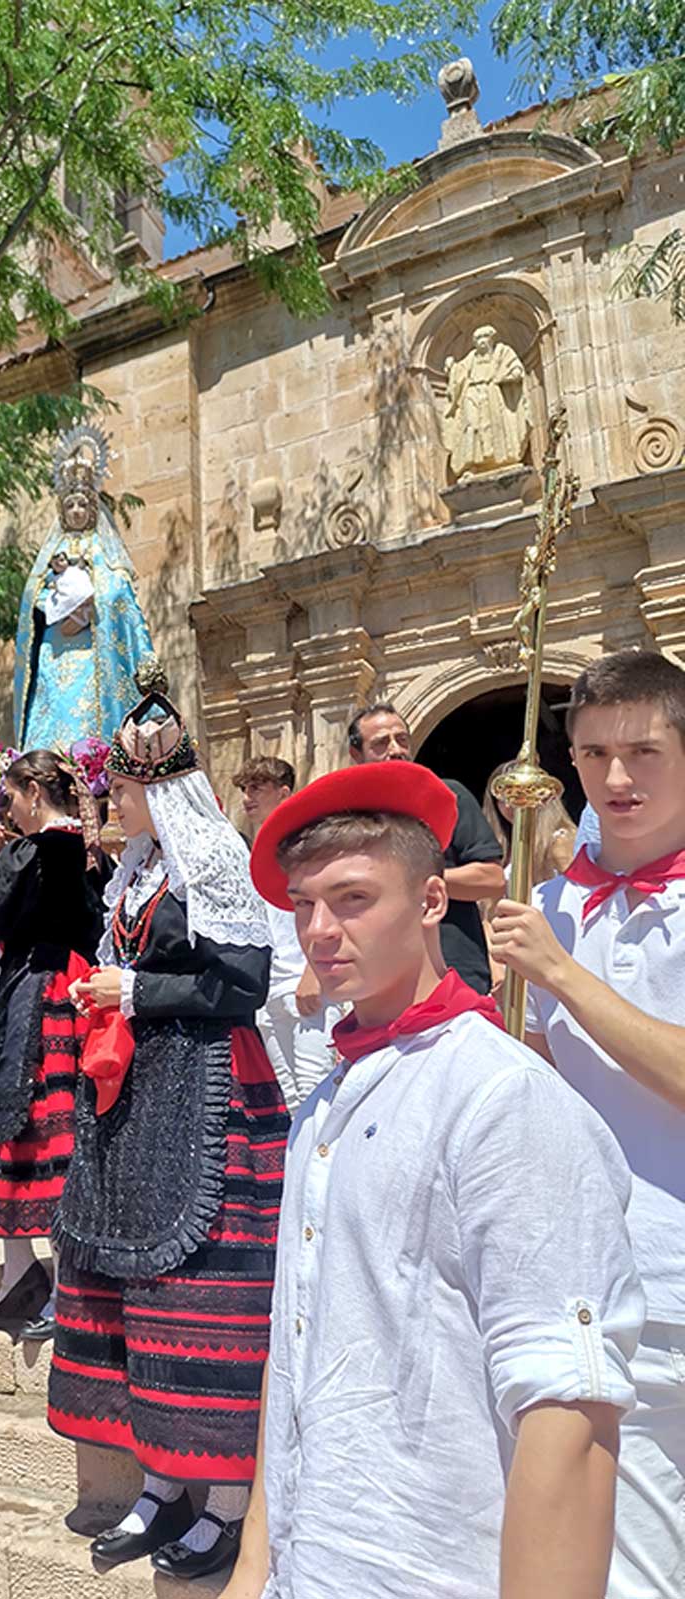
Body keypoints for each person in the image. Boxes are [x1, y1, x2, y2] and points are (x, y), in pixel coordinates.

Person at [219, 762, 644, 1599]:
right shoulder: (322, 1107)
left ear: (431, 901)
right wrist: (253, 1568)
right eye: (304, 903)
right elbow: (293, 1344)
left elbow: (568, 1408)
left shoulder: (501, 1098)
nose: (319, 929)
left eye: (352, 898)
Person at [50, 692, 290, 1583]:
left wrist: (136, 992)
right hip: (138, 1090)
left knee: (203, 1290)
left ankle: (224, 1500)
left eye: (121, 789)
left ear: (161, 790)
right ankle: (160, 1484)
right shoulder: (140, 867)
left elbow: (244, 983)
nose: (111, 801)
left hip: (209, 1093)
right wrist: (109, 991)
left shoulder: (214, 857)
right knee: (137, 1287)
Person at [492, 648, 685, 1599]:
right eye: (596, 752)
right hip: (589, 1276)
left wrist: (563, 976)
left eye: (644, 751)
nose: (616, 776)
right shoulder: (552, 902)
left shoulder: (558, 937)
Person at [0, 750, 103, 1332]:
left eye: (12, 797)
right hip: (80, 989)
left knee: (32, 1126)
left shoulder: (30, 852)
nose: (9, 810)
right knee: (61, 1128)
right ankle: (29, 1277)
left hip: (34, 991)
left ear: (35, 792)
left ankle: (53, 1286)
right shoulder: (95, 854)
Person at [14, 424, 155, 751]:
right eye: (70, 505)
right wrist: (53, 604)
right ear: (62, 511)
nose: (76, 511)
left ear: (92, 509)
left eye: (82, 504)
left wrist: (89, 607)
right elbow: (33, 599)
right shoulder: (51, 554)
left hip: (92, 651)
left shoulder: (104, 551)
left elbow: (118, 593)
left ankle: (92, 760)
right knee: (53, 713)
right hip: (56, 647)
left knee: (87, 718)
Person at [348, 702, 504, 993]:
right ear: (356, 754)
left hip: (455, 971)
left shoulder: (449, 796)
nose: (396, 749)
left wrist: (412, 880)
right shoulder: (350, 818)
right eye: (381, 743)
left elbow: (492, 880)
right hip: (379, 977)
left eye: (402, 739)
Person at [235, 755, 341, 1110]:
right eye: (244, 789)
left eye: (256, 788)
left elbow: (327, 909)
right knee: (291, 1101)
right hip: (270, 991)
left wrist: (314, 972)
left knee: (317, 1091)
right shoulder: (252, 852)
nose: (247, 797)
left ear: (283, 793)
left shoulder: (307, 848)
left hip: (306, 981)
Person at [481, 758, 576, 891]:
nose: (509, 805)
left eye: (519, 795)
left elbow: (581, 891)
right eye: (502, 799)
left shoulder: (560, 840)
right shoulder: (499, 847)